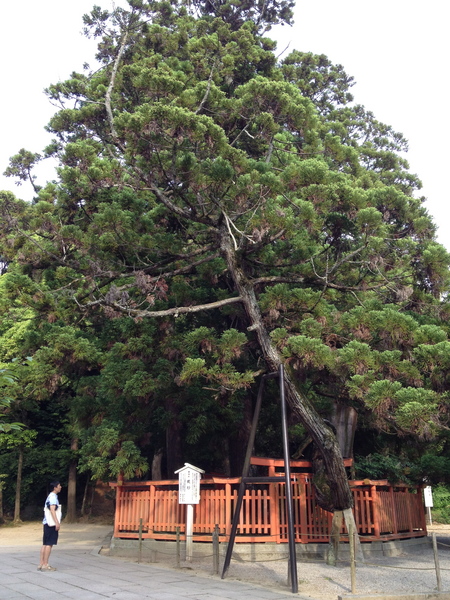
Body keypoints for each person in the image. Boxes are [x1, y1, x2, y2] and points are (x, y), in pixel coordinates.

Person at [38, 480, 62, 571]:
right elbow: (52, 510)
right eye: (59, 486)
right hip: (51, 523)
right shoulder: (53, 497)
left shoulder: (50, 496)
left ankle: (41, 563)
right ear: (55, 487)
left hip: (46, 523)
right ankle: (45, 564)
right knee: (49, 544)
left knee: (45, 543)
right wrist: (57, 522)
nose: (60, 487)